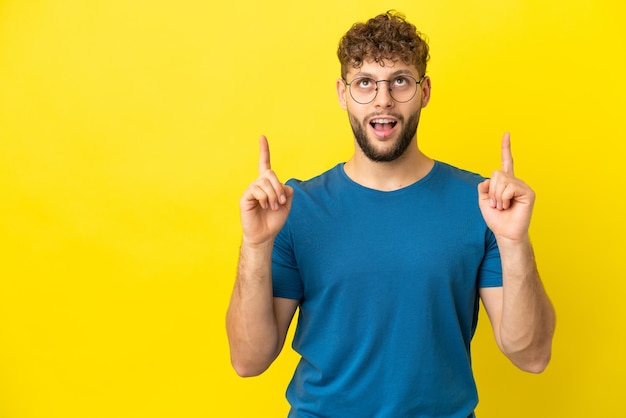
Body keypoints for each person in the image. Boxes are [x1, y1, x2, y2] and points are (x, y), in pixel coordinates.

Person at [226, 10, 555, 418]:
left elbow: (532, 355)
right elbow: (248, 360)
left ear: (425, 91)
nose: (383, 99)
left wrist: (514, 242)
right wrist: (257, 245)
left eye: (400, 81)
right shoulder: (295, 207)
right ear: (343, 94)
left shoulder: (483, 204)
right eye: (365, 83)